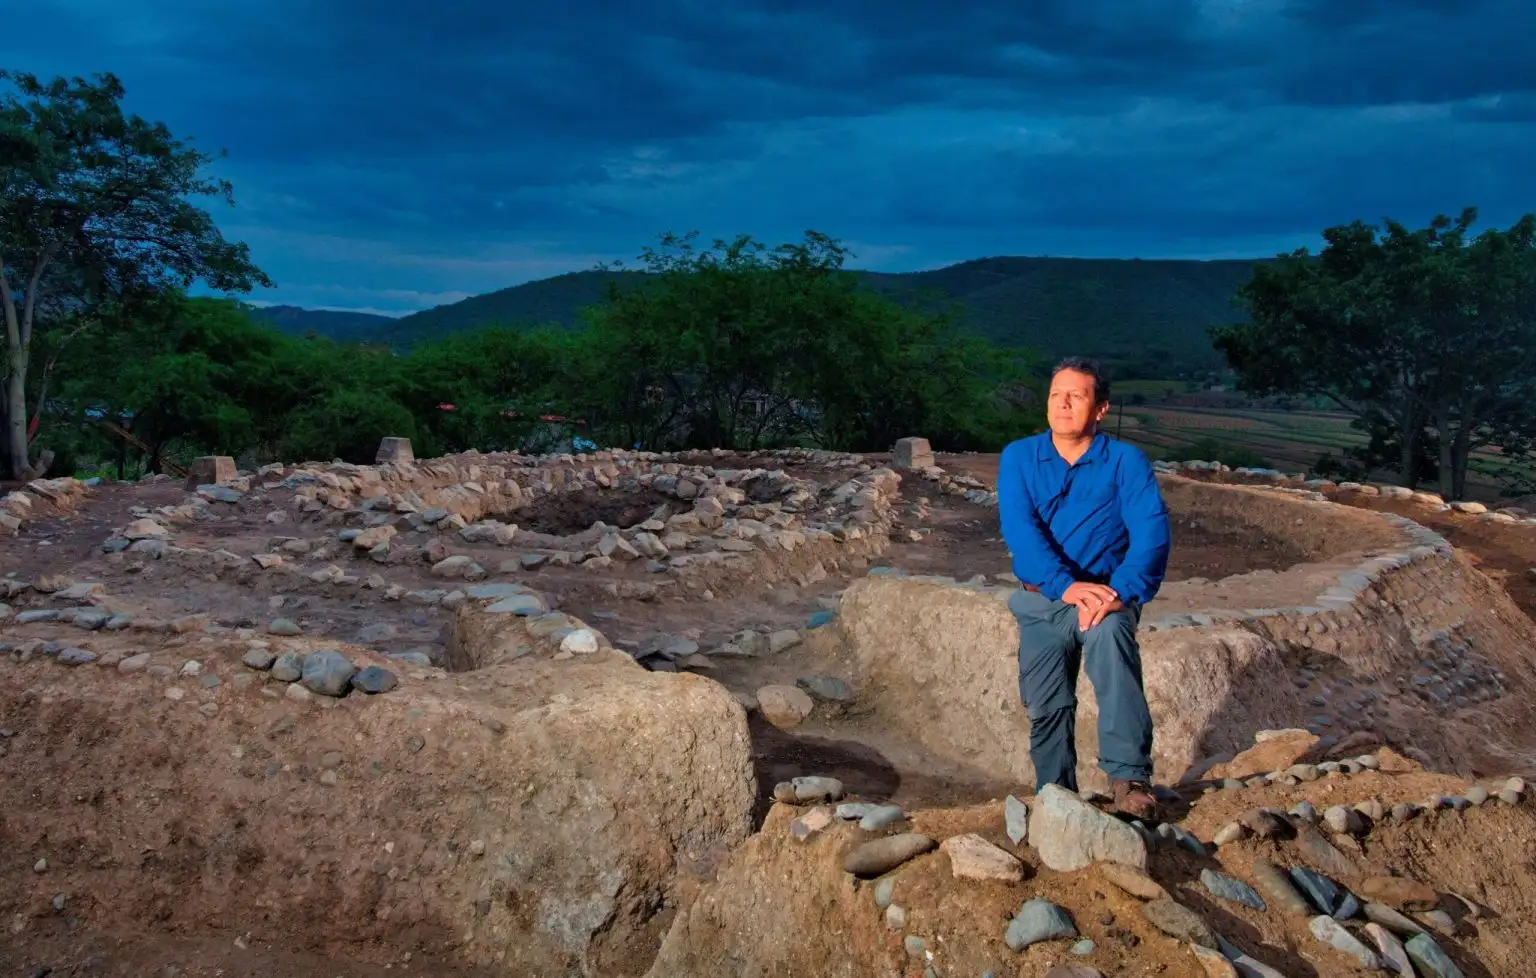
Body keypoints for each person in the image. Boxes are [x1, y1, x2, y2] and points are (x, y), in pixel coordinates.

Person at [996, 357, 1171, 820]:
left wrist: (1122, 593)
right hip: (1042, 598)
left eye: (1076, 395)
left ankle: (1129, 778)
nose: (1064, 403)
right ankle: (1055, 792)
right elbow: (1020, 531)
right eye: (1056, 394)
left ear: (1099, 409)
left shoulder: (1124, 462)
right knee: (1046, 703)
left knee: (1112, 640)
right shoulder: (1019, 456)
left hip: (1103, 598)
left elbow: (1151, 533)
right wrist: (1064, 585)